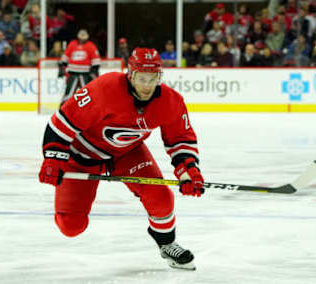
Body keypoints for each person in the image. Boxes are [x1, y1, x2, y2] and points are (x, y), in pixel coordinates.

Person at [39, 48, 204, 270]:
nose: (147, 85)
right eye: (142, 79)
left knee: (161, 197)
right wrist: (53, 158)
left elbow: (180, 139)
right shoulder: (104, 89)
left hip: (127, 153)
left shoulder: (170, 101)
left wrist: (188, 171)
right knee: (71, 226)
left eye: (152, 79)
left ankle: (167, 244)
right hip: (83, 154)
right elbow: (62, 122)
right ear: (131, 75)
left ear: (159, 77)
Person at [58, 29, 101, 105]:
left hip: (85, 74)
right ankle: (64, 109)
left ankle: (89, 109)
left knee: (87, 93)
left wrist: (94, 72)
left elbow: (96, 62)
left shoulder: (91, 46)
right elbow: (64, 59)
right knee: (68, 93)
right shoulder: (72, 44)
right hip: (72, 74)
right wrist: (61, 69)